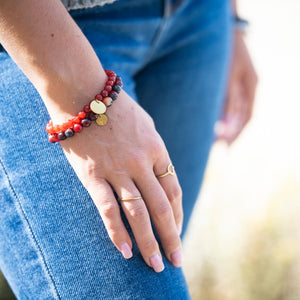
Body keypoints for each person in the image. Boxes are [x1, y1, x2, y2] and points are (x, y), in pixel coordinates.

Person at [0, 0, 257, 298]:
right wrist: (83, 95)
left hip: (199, 20)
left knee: (163, 252)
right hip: (40, 34)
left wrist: (233, 19)